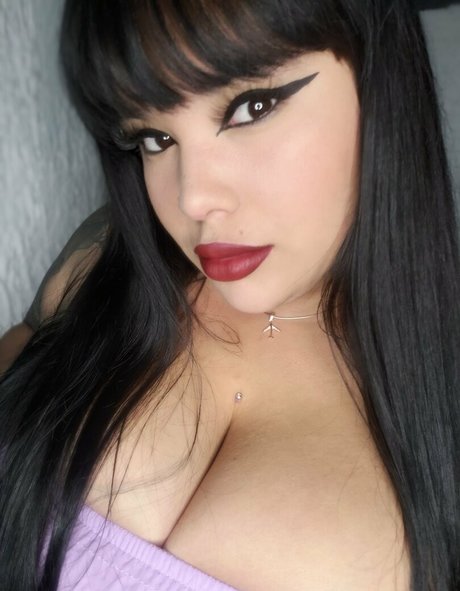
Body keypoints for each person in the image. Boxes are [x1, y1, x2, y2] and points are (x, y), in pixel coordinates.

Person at [1, 1, 459, 590]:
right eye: (154, 138)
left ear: (380, 83)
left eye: (251, 107)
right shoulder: (107, 257)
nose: (192, 197)